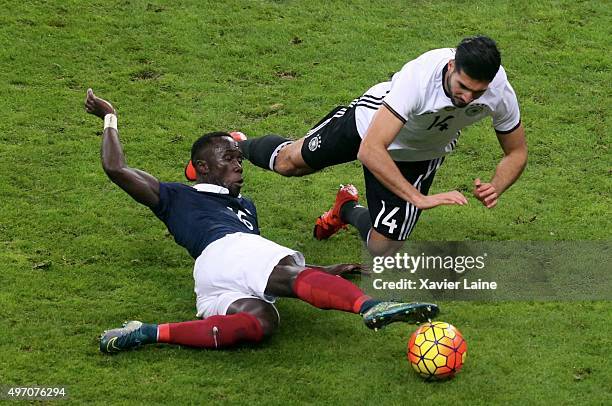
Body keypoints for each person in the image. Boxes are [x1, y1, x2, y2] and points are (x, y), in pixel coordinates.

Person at [84, 89, 439, 353]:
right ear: (203, 167)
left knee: (261, 323)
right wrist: (110, 118)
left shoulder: (245, 208)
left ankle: (146, 332)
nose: (239, 164)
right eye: (229, 157)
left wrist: (327, 269)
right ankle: (373, 306)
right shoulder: (176, 195)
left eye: (240, 158)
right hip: (222, 254)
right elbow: (116, 168)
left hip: (213, 278)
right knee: (288, 274)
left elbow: (260, 269)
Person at [204, 35, 527, 255]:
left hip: (420, 153)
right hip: (366, 127)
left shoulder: (499, 91)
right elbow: (371, 150)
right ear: (450, 67)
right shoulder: (419, 79)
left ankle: (344, 209)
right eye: (463, 87)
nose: (467, 98)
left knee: (382, 248)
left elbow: (516, 151)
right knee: (290, 164)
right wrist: (417, 197)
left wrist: (497, 185)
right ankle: (236, 145)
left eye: (477, 93)